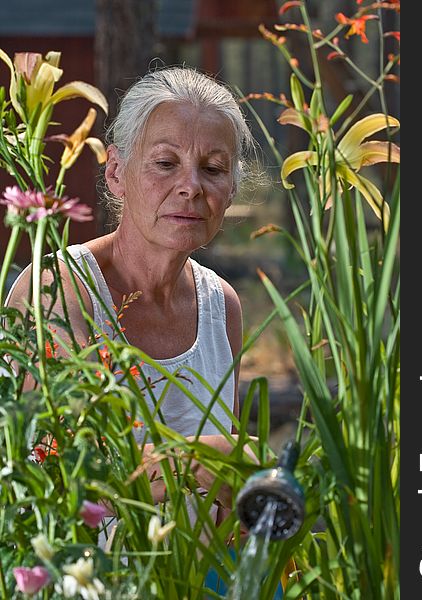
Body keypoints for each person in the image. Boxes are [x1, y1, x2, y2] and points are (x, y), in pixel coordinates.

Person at [5, 66, 257, 507]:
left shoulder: (221, 307)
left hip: (197, 576)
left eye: (213, 169)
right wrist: (216, 458)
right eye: (165, 163)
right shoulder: (60, 289)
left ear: (231, 190)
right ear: (117, 173)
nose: (191, 187)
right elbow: (64, 463)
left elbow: (228, 491)